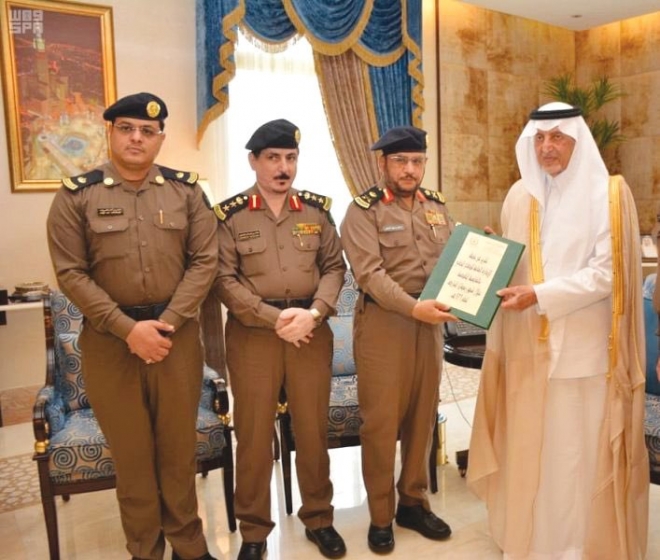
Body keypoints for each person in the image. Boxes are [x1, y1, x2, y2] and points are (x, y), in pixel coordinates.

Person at [467, 102, 649, 559]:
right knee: (535, 448)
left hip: (584, 353)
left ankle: (576, 545)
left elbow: (607, 275)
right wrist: (494, 256)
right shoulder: (520, 195)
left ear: (577, 140)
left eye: (558, 137)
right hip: (528, 350)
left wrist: (540, 295)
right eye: (540, 138)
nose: (547, 147)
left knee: (575, 455)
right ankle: (534, 541)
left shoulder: (606, 195)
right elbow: (521, 262)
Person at [47, 92, 218, 560]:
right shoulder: (76, 195)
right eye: (126, 128)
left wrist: (166, 322)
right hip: (110, 344)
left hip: (176, 339)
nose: (136, 138)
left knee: (178, 451)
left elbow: (205, 261)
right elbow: (70, 273)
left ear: (160, 139)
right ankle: (144, 549)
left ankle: (189, 545)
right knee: (132, 455)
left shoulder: (187, 192)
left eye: (147, 131)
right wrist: (128, 329)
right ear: (111, 133)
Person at [214, 119, 347, 560]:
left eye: (290, 158)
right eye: (273, 158)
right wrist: (275, 318)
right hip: (254, 336)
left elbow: (335, 268)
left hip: (310, 332)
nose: (283, 167)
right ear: (253, 161)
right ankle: (254, 532)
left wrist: (314, 313)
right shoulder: (230, 216)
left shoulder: (316, 211)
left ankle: (319, 519)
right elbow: (223, 279)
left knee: (312, 430)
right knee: (253, 436)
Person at [340, 126, 456, 554]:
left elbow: (454, 262)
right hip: (384, 325)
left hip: (429, 326)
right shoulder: (363, 211)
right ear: (383, 163)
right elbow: (369, 275)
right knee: (381, 423)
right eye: (400, 161)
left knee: (423, 416)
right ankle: (380, 514)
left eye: (417, 161)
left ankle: (412, 502)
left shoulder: (437, 207)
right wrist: (413, 308)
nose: (410, 169)